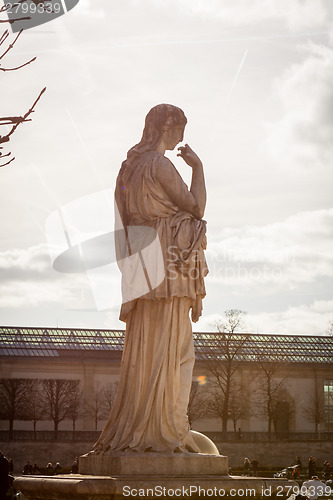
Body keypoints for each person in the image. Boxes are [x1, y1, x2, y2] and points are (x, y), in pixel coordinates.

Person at [94, 104, 207, 454]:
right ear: (166, 128)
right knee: (176, 351)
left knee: (145, 348)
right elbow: (196, 207)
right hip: (169, 267)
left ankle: (141, 423)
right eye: (178, 130)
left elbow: (125, 219)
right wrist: (199, 169)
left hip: (142, 265)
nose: (180, 137)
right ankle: (165, 428)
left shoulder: (128, 168)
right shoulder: (159, 165)